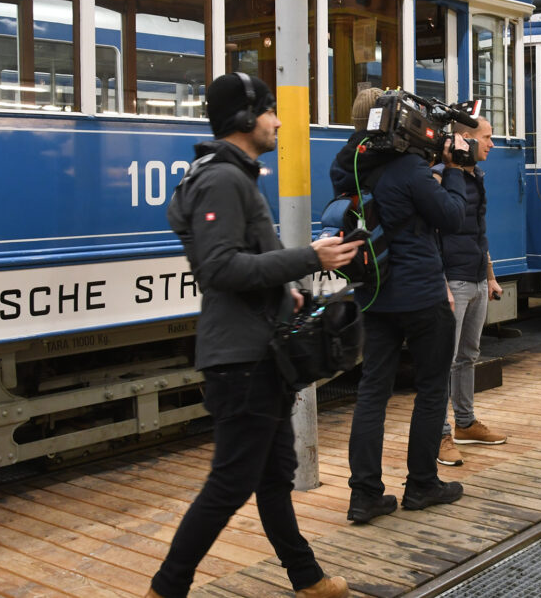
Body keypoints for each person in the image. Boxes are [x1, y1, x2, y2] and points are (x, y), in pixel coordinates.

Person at [151, 72, 359, 598]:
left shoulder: (236, 176)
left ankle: (306, 578)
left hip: (259, 354)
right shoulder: (223, 180)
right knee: (230, 483)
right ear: (246, 118)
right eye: (269, 111)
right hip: (242, 359)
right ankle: (166, 588)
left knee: (271, 477)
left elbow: (246, 265)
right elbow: (220, 268)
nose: (278, 120)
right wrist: (309, 256)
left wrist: (284, 291)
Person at [332, 95, 470, 524]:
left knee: (373, 391)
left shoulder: (351, 165)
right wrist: (454, 170)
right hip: (422, 296)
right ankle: (422, 484)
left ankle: (365, 495)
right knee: (430, 388)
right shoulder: (410, 169)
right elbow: (452, 217)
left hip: (375, 294)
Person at [435, 117, 507, 467]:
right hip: (453, 281)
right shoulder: (439, 177)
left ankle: (464, 423)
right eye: (488, 138)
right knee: (442, 360)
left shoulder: (476, 176)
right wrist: (441, 283)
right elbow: (432, 237)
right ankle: (441, 435)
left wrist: (491, 277)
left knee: (468, 355)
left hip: (476, 278)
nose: (492, 144)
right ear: (465, 139)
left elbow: (479, 232)